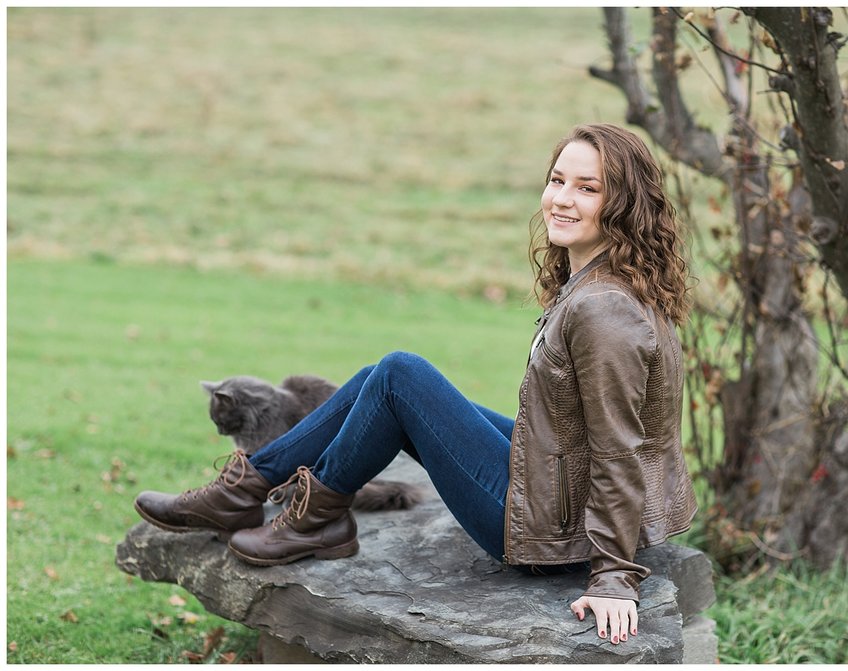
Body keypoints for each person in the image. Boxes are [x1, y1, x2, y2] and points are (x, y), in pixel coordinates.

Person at [134, 123, 696, 646]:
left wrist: (615, 578)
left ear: (621, 205)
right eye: (556, 180)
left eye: (587, 188)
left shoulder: (604, 311)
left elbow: (620, 448)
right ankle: (246, 492)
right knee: (382, 380)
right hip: (555, 490)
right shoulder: (609, 281)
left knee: (401, 375)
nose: (562, 198)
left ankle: (309, 517)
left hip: (547, 529)